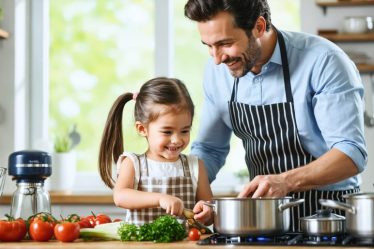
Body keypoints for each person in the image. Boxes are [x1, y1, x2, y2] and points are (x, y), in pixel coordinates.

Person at [184, 0, 367, 231]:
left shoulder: (324, 60)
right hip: (264, 218)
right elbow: (210, 149)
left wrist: (285, 181)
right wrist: (190, 190)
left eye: (225, 44)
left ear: (259, 26)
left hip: (328, 216)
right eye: (208, 46)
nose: (217, 58)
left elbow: (351, 154)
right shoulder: (217, 71)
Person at [98, 77, 213, 225]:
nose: (177, 139)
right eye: (167, 132)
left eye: (185, 130)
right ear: (142, 129)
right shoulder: (133, 164)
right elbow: (120, 197)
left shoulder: (195, 166)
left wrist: (206, 211)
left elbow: (210, 212)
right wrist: (160, 199)